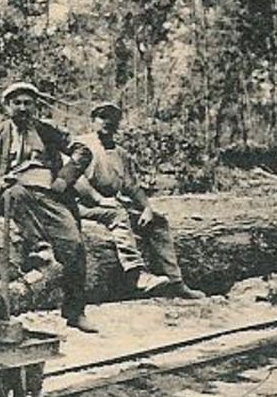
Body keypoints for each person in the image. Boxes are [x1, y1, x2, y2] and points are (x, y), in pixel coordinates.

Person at [0, 82, 98, 333]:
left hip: (49, 196)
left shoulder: (47, 131)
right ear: (7, 106)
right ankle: (40, 249)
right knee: (15, 193)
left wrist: (63, 179)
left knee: (74, 244)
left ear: (35, 106)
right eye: (16, 103)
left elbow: (82, 151)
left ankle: (75, 311)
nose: (22, 108)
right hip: (12, 193)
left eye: (28, 103)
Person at [73, 100, 204, 300]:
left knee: (158, 222)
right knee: (118, 214)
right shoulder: (81, 145)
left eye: (113, 118)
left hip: (109, 202)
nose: (108, 122)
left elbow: (132, 186)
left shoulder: (120, 153)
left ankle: (176, 282)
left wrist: (147, 208)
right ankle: (136, 274)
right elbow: (75, 179)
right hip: (81, 204)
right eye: (102, 117)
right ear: (92, 121)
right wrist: (99, 200)